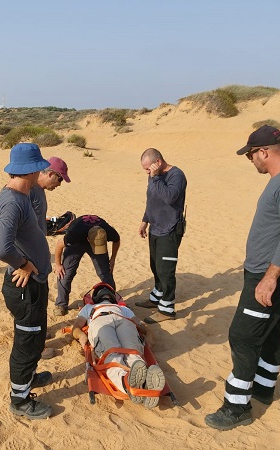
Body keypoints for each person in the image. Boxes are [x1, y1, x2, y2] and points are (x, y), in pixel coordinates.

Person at [205, 125, 280, 431]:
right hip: (268, 272)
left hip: (269, 275)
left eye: (251, 154)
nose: (250, 160)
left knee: (243, 335)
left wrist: (270, 277)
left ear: (264, 152)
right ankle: (264, 386)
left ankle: (237, 407)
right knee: (272, 326)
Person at [0, 143, 54, 420]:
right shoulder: (13, 202)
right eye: (39, 166)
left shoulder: (22, 195)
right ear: (30, 170)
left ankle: (28, 378)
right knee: (26, 343)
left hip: (34, 283)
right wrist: (25, 264)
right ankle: (19, 400)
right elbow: (1, 249)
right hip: (24, 288)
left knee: (36, 336)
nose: (42, 169)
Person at [71, 285, 165, 408]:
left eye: (107, 290)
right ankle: (126, 381)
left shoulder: (123, 308)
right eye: (100, 290)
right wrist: (81, 336)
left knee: (134, 353)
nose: (104, 292)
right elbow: (76, 328)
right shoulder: (89, 307)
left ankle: (144, 382)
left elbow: (139, 324)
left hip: (123, 320)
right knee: (111, 354)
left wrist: (149, 333)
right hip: (100, 321)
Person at [134, 148, 187, 323]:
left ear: (158, 162)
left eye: (148, 168)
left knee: (166, 270)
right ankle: (156, 297)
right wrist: (145, 220)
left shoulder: (176, 175)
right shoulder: (153, 176)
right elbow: (152, 199)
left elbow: (169, 198)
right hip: (155, 228)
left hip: (169, 229)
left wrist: (156, 177)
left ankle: (166, 309)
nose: (148, 172)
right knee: (155, 265)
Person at [54, 215, 120, 316]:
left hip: (97, 240)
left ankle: (111, 300)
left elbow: (117, 240)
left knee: (106, 272)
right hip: (77, 243)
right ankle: (61, 304)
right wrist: (58, 265)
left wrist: (113, 258)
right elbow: (59, 244)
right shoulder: (74, 234)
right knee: (65, 273)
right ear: (88, 239)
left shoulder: (107, 231)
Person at [29, 156, 71, 235]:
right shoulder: (29, 189)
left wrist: (51, 225)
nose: (59, 184)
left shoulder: (39, 189)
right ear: (51, 174)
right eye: (60, 179)